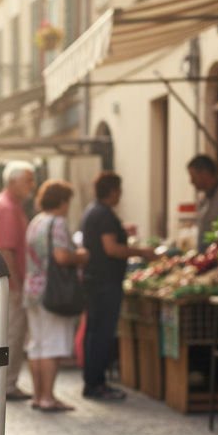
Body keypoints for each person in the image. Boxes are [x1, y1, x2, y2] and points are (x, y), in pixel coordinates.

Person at [80, 172, 155, 402]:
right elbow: (111, 249)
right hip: (105, 283)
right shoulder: (103, 215)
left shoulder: (93, 211)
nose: (121, 195)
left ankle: (92, 381)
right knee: (102, 333)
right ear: (113, 191)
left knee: (94, 333)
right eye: (119, 191)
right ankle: (97, 383)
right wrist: (142, 253)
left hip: (96, 281)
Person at [23, 181, 88, 412]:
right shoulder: (57, 223)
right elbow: (61, 257)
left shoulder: (35, 222)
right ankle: (48, 397)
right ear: (62, 202)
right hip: (52, 291)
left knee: (36, 344)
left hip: (31, 288)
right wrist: (80, 256)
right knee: (51, 344)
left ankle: (38, 395)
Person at [0, 161, 36, 399]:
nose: (32, 186)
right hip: (9, 284)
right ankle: (6, 385)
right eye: (28, 180)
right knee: (12, 335)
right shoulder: (7, 208)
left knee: (8, 334)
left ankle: (4, 383)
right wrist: (15, 285)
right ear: (13, 181)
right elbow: (6, 251)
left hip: (7, 283)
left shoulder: (7, 205)